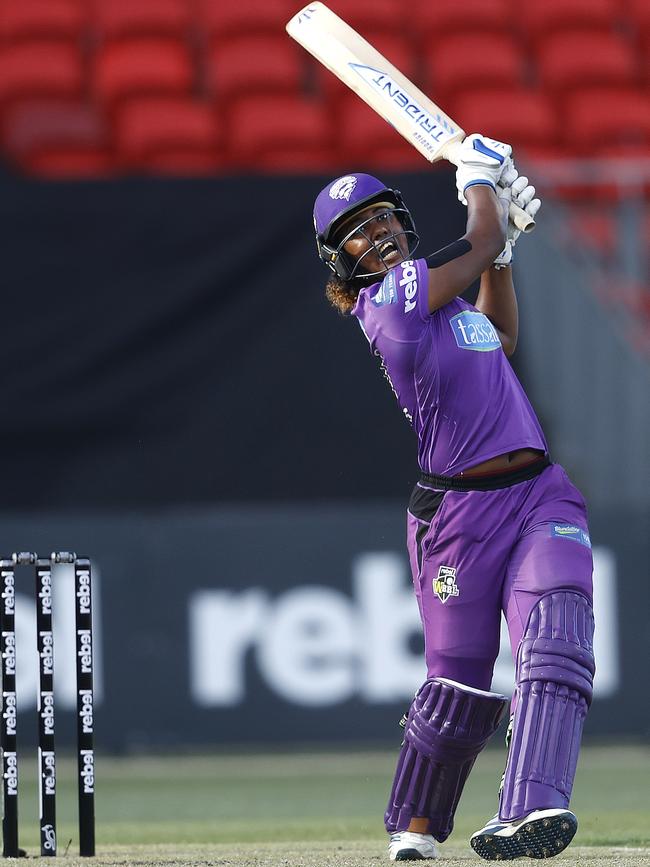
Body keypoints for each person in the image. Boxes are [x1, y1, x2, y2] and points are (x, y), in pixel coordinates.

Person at [311, 135, 595, 862]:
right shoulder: (388, 304)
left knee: (557, 642)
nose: (375, 235)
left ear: (402, 221)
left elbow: (497, 332)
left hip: (538, 495)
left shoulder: (444, 306)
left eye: (380, 219)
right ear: (344, 264)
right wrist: (481, 188)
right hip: (458, 517)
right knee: (460, 679)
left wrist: (499, 257)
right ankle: (414, 827)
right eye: (356, 234)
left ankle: (534, 806)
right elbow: (477, 236)